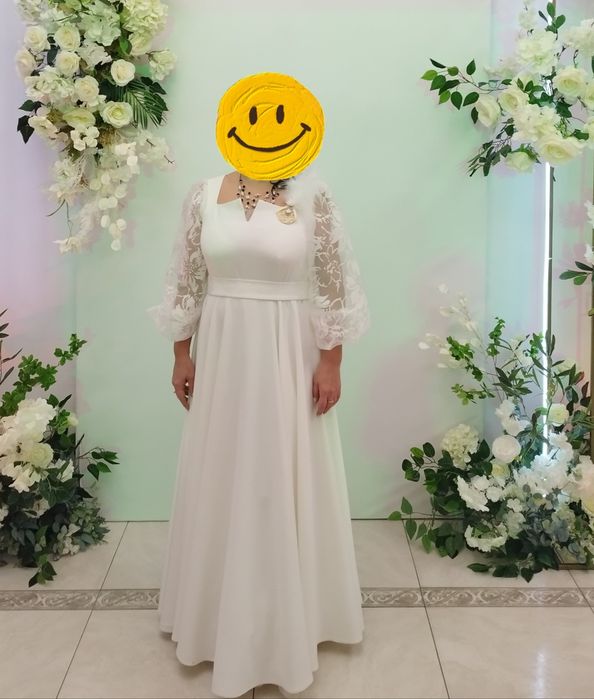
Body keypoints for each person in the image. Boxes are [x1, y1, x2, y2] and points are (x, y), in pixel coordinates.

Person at [147, 166, 370, 698]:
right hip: (224, 348)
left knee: (284, 470)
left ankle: (297, 616)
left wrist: (331, 362)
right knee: (223, 469)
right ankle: (213, 615)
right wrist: (181, 353)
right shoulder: (203, 194)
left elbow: (332, 284)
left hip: (290, 349)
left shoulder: (314, 194)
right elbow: (188, 280)